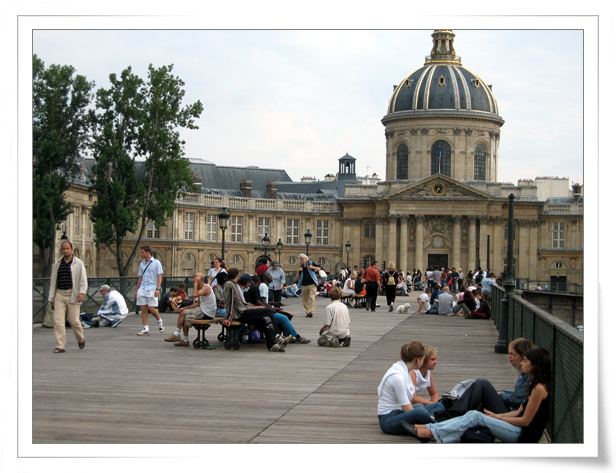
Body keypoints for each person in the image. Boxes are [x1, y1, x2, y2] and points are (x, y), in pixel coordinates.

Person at [408, 347, 551, 443]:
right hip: (518, 430)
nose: (522, 364)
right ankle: (430, 428)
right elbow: (519, 412)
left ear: (534, 365)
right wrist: (496, 417)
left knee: (475, 416)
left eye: (525, 361)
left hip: (523, 436)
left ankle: (430, 432)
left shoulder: (539, 388)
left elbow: (525, 421)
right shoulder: (534, 385)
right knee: (473, 414)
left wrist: (497, 417)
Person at [448, 338, 536, 414]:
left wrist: (500, 395)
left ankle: (455, 411)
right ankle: (458, 412)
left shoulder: (528, 376)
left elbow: (519, 400)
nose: (509, 357)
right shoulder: (525, 373)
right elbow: (518, 395)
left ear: (522, 356)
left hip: (511, 414)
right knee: (480, 392)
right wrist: (502, 392)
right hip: (510, 411)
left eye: (513, 354)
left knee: (482, 384)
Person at [377, 341, 435, 436]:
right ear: (418, 360)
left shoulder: (406, 370)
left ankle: (436, 424)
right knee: (420, 411)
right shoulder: (397, 377)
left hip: (399, 413)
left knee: (437, 406)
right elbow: (407, 409)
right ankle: (440, 427)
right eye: (423, 359)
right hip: (388, 420)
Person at [222, 268, 287, 352]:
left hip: (242, 311)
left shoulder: (234, 285)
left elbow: (242, 303)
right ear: (236, 275)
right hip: (239, 314)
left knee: (265, 320)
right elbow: (230, 302)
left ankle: (272, 344)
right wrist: (229, 318)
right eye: (239, 275)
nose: (239, 276)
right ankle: (277, 336)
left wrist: (256, 307)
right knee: (269, 311)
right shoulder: (229, 284)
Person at [245, 273, 311, 344]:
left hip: (263, 310)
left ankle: (289, 335)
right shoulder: (263, 286)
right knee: (284, 317)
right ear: (264, 278)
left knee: (286, 316)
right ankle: (296, 337)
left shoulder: (259, 286)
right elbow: (261, 302)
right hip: (263, 311)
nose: (271, 276)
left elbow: (262, 301)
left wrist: (275, 304)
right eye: (268, 275)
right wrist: (271, 308)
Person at [48, 239, 88, 353]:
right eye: (63, 249)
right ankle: (60, 345)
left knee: (74, 320)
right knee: (58, 320)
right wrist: (51, 297)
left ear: (71, 249)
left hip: (73, 294)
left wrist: (82, 292)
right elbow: (53, 281)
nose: (65, 251)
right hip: (59, 294)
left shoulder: (78, 263)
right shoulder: (58, 263)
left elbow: (83, 279)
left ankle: (81, 338)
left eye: (67, 249)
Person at [164, 272, 222, 347]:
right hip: (202, 310)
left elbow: (194, 295)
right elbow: (196, 304)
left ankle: (176, 334)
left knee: (183, 313)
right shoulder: (200, 288)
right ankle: (185, 340)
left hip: (207, 312)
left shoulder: (206, 287)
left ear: (200, 279)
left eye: (196, 276)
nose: (194, 278)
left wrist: (195, 284)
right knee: (184, 314)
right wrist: (184, 307)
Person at [135, 245, 164, 336]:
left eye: (142, 252)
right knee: (143, 309)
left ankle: (159, 320)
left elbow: (159, 276)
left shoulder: (156, 263)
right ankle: (146, 328)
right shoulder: (142, 264)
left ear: (148, 252)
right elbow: (140, 278)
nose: (141, 254)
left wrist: (158, 288)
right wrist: (137, 290)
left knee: (151, 308)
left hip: (152, 288)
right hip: (143, 288)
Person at [410, 344, 446, 417]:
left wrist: (434, 403)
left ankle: (429, 417)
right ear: (424, 360)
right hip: (404, 406)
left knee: (440, 406)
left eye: (436, 359)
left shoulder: (427, 372)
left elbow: (434, 394)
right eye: (432, 359)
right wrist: (431, 403)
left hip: (414, 405)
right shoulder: (413, 372)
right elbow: (413, 398)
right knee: (419, 406)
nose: (436, 362)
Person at [297, 253, 321, 318]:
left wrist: (312, 267)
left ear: (306, 258)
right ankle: (308, 311)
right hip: (304, 284)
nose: (301, 260)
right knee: (304, 299)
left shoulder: (311, 263)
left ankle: (311, 312)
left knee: (311, 297)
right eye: (300, 259)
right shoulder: (301, 266)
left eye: (302, 258)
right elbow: (298, 276)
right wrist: (298, 271)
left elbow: (319, 268)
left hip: (312, 284)